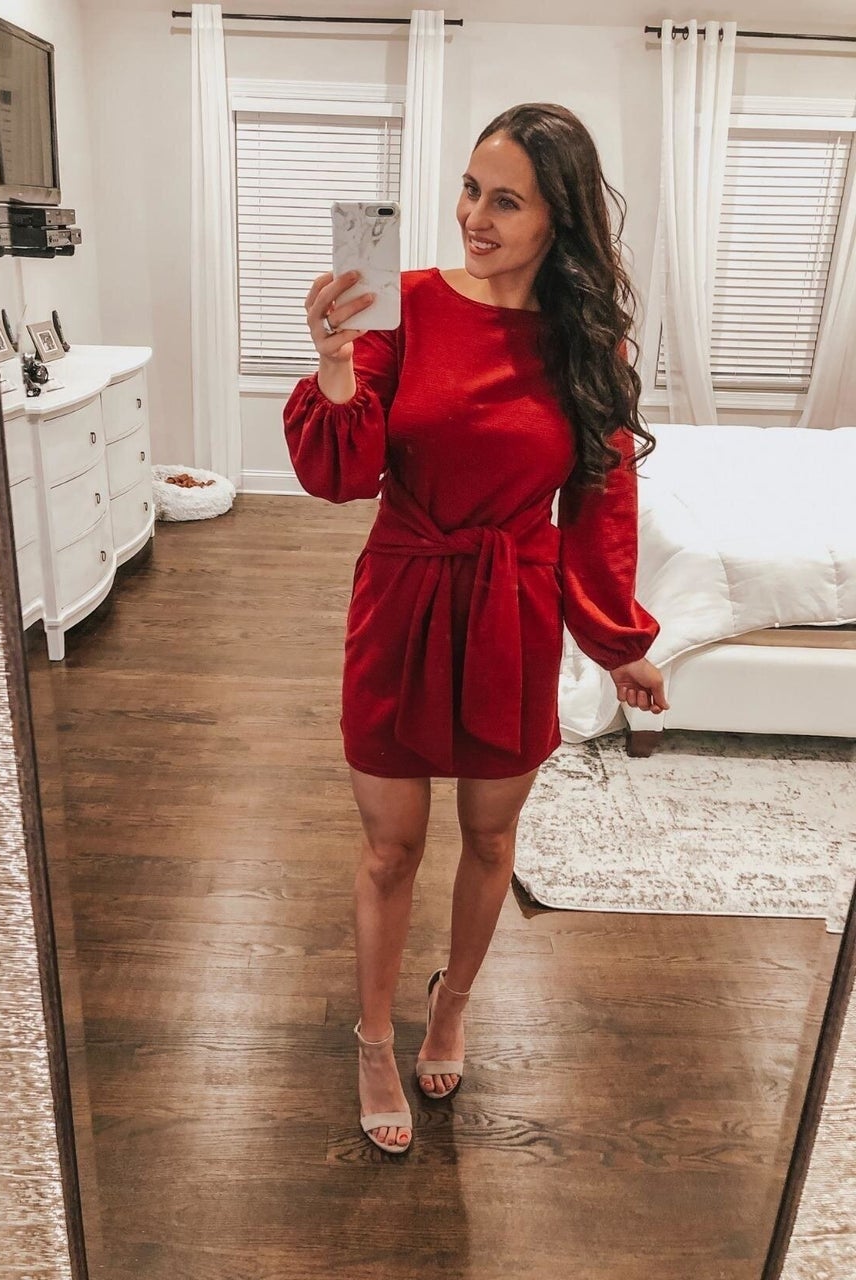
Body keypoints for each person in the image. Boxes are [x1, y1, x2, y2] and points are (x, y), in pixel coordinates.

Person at [283, 103, 670, 1156]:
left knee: (492, 837)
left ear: (558, 220)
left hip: (513, 607)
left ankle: (450, 1003)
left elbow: (600, 502)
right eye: (469, 189)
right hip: (403, 595)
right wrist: (333, 363)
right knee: (390, 848)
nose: (474, 217)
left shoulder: (587, 344)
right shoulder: (400, 307)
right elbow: (339, 474)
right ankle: (373, 1038)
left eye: (506, 201)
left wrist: (619, 637)